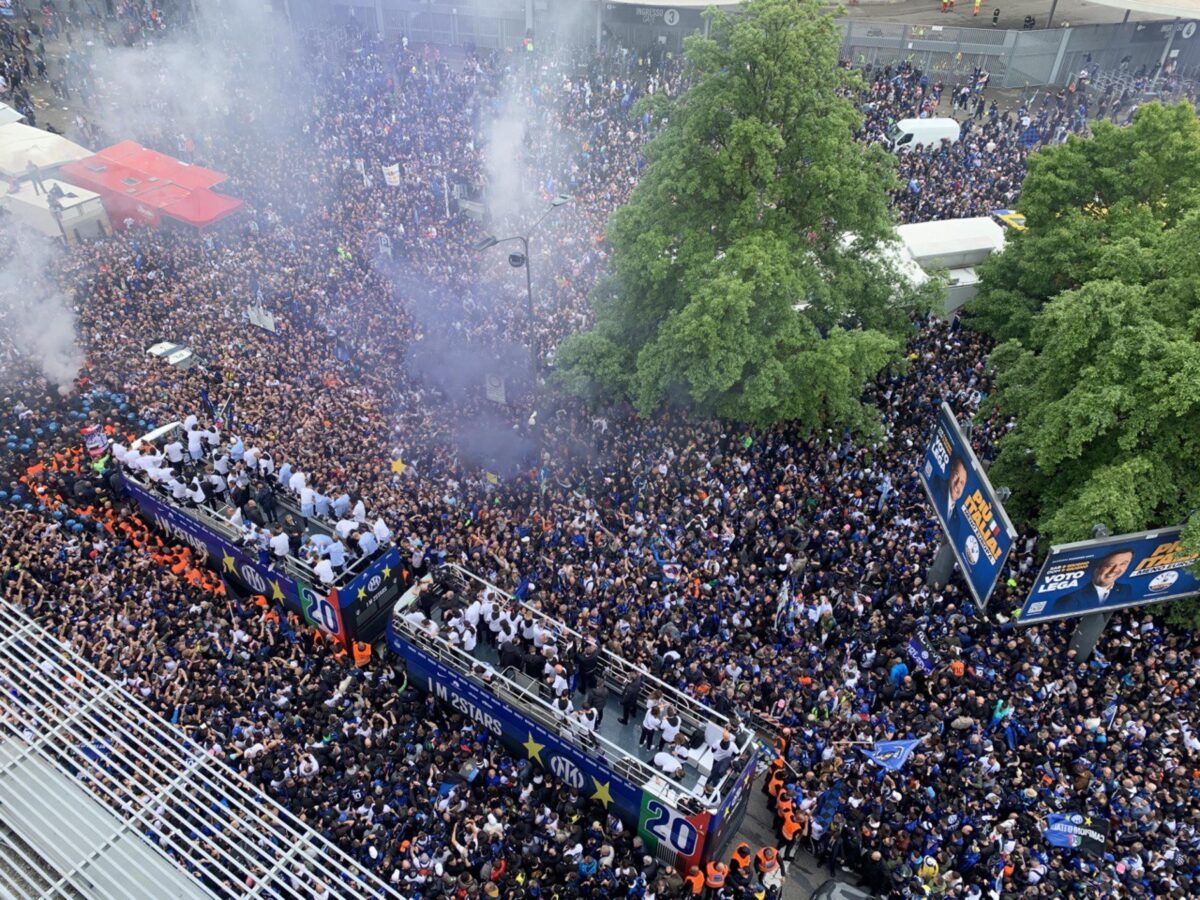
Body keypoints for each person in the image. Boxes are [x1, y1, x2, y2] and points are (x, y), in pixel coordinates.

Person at [1045, 548, 1136, 618]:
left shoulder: (1125, 589)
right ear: (1096, 569)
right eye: (1109, 565)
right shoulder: (1069, 600)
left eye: (1123, 564)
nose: (1115, 570)